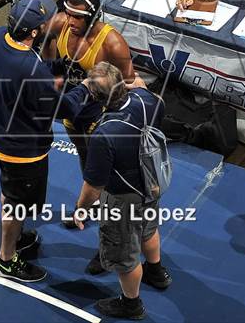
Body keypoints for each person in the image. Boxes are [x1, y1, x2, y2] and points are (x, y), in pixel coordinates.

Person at [0, 0, 86, 283]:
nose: (59, 19)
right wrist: (88, 88)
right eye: (50, 19)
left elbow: (33, 70)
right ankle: (6, 260)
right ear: (34, 32)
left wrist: (52, 65)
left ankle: (15, 237)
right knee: (17, 204)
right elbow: (64, 107)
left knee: (11, 193)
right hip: (23, 150)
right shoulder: (30, 69)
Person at [73, 62, 172, 320]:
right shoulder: (148, 100)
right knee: (149, 229)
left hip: (123, 198)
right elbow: (151, 96)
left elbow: (93, 187)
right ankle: (156, 271)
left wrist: (80, 211)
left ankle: (131, 304)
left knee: (124, 256)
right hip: (152, 182)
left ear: (94, 97)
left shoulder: (104, 133)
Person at [45, 0, 134, 172]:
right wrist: (51, 74)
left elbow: (129, 84)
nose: (70, 21)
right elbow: (44, 40)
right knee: (85, 157)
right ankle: (92, 197)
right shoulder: (59, 24)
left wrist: (115, 118)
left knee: (108, 162)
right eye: (68, 14)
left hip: (100, 114)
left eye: (77, 17)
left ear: (92, 17)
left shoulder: (112, 44)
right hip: (72, 110)